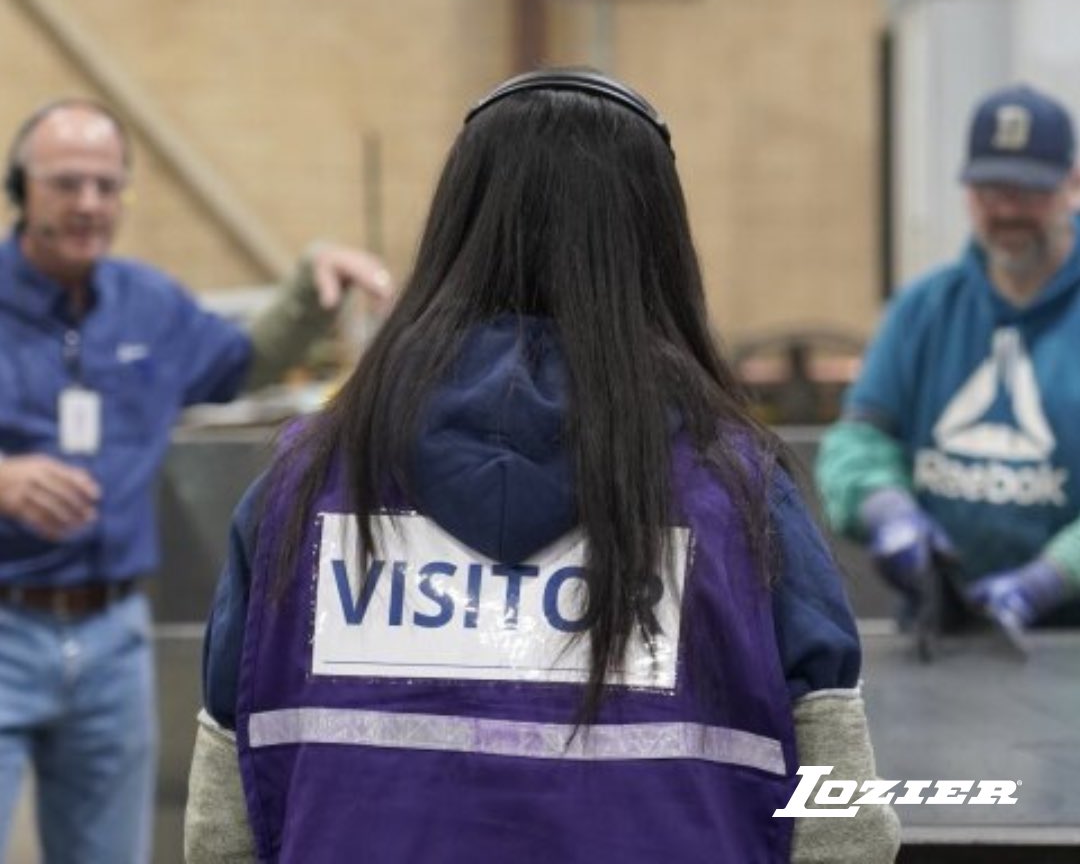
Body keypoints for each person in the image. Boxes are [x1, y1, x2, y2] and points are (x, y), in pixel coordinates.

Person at [185, 69, 900, 863]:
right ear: (654, 242)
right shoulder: (742, 496)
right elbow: (849, 829)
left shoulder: (300, 487)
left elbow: (223, 829)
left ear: (458, 224)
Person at [0, 97, 394, 864]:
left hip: (113, 635)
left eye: (108, 186)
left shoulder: (149, 306)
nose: (90, 204)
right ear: (20, 188)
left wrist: (312, 282)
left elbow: (243, 361)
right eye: (67, 184)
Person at [817, 83, 1080, 634]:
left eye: (1028, 191)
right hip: (942, 638)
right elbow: (860, 439)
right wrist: (887, 511)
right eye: (990, 189)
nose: (1007, 209)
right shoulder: (923, 309)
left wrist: (1052, 577)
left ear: (1071, 186)